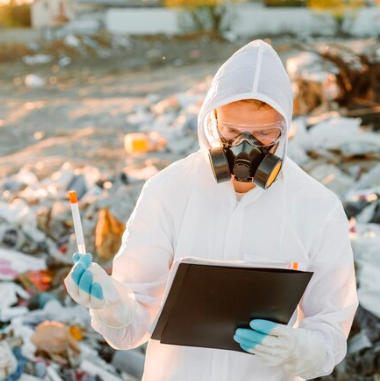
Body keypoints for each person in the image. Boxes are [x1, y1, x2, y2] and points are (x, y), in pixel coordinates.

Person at [64, 39, 359, 381]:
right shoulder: (168, 191)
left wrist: (299, 349)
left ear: (285, 129)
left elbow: (331, 334)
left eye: (264, 134)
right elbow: (132, 328)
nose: (245, 146)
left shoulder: (317, 208)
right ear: (210, 121)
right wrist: (111, 304)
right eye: (231, 131)